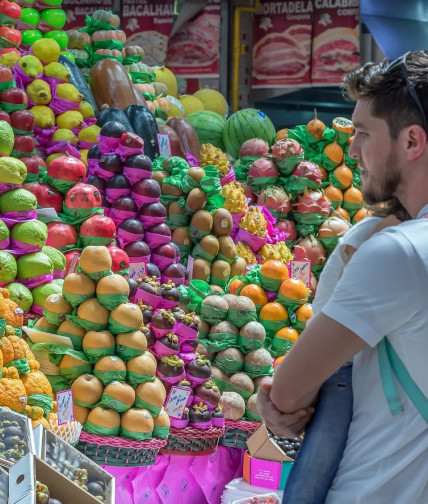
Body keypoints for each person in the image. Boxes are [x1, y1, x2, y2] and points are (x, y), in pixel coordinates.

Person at [258, 50, 428, 503]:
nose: (352, 149)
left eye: (364, 133)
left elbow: (289, 392)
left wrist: (274, 400)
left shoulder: (397, 253)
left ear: (412, 142)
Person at [281, 203, 404, 504]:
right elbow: (352, 306)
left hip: (346, 362)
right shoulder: (377, 234)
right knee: (315, 469)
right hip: (341, 364)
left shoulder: (389, 234)